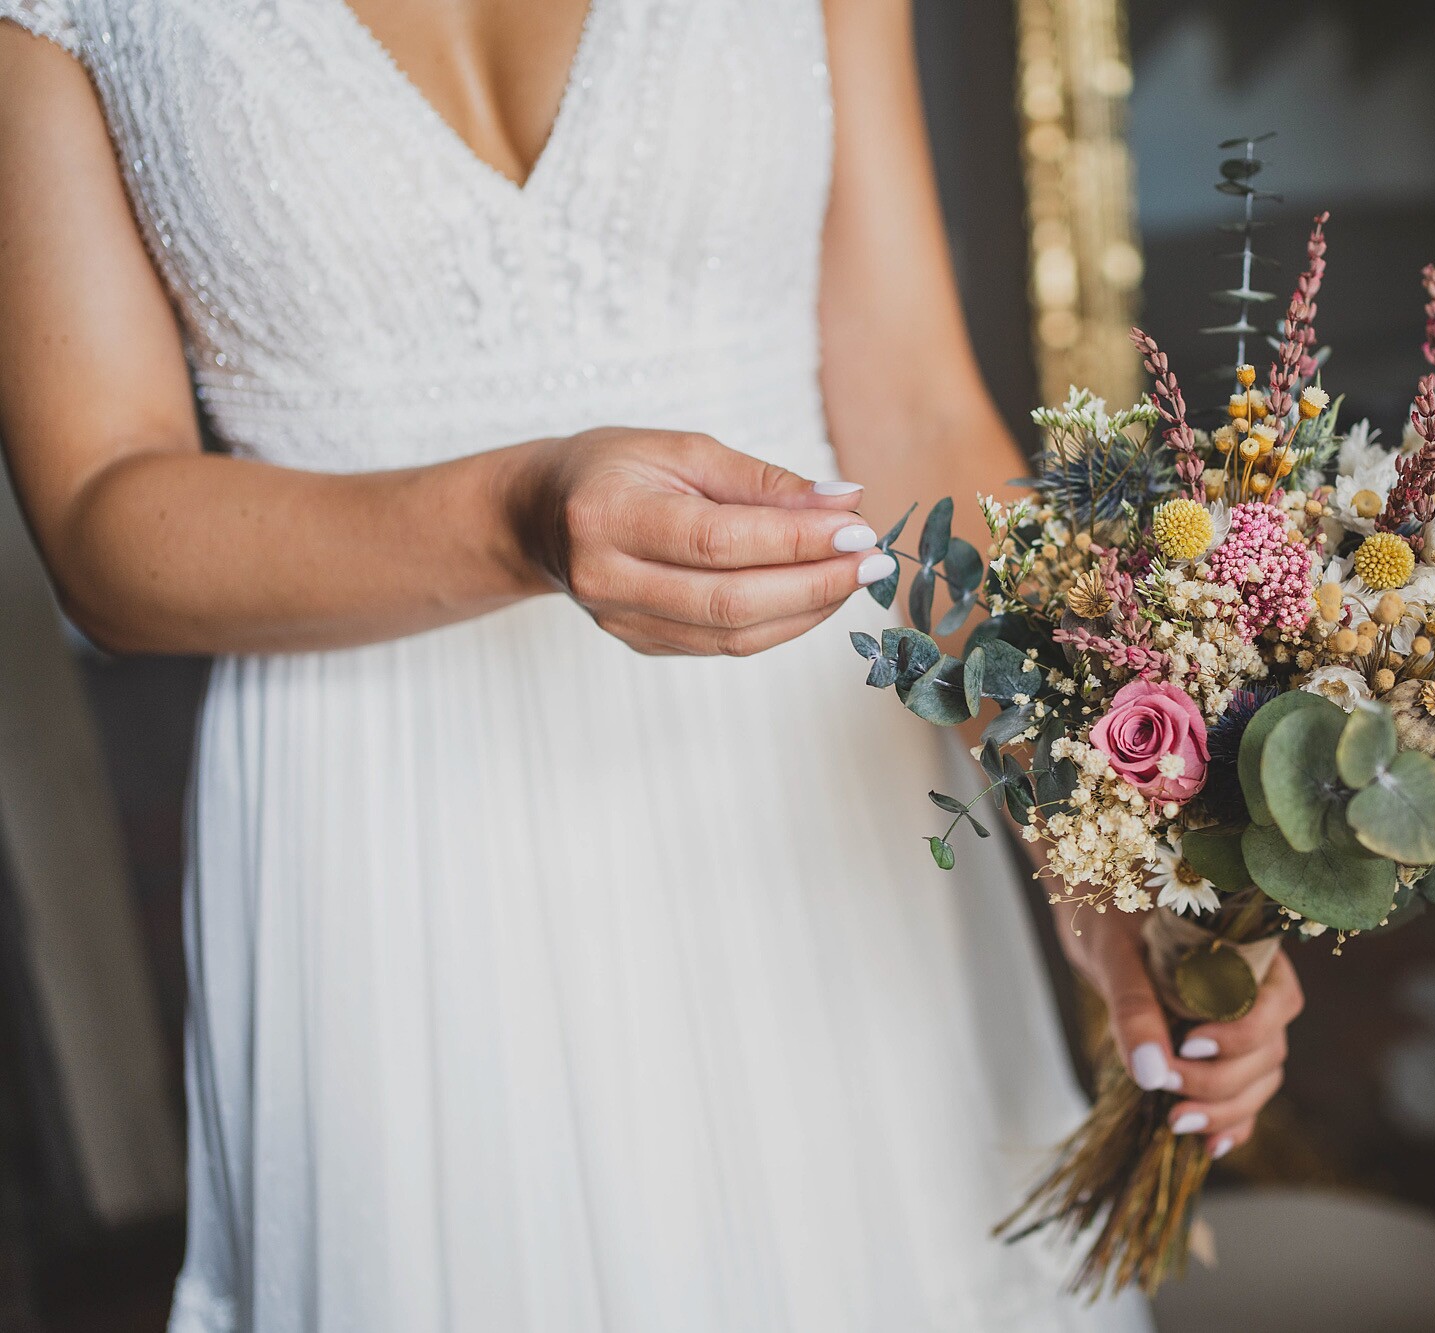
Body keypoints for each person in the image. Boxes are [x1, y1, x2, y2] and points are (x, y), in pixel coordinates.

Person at [0, 1, 1303, 1327]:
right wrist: (515, 516)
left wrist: (1098, 831)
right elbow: (101, 528)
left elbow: (911, 411)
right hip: (387, 850)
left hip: (820, 813)